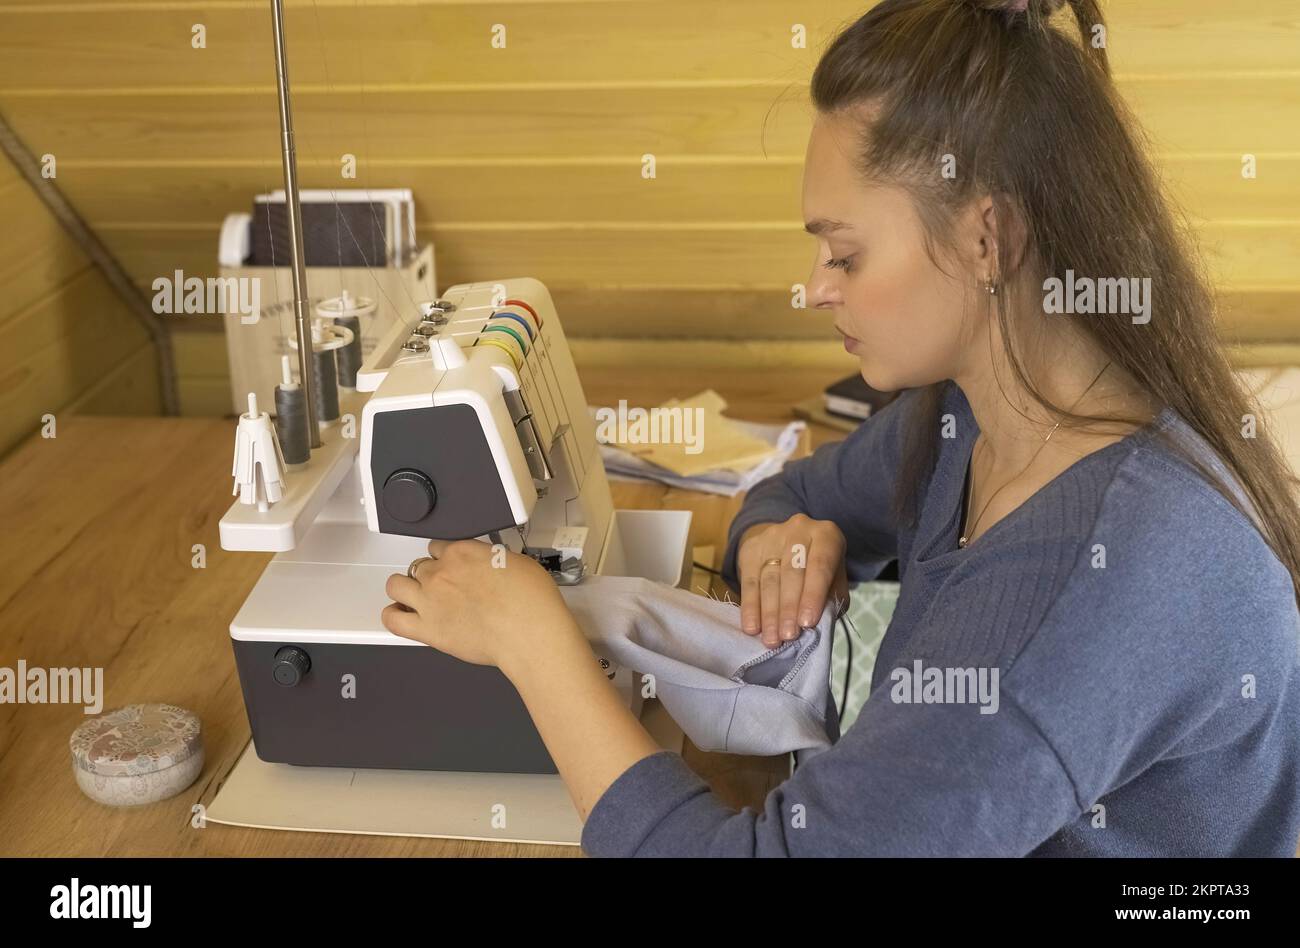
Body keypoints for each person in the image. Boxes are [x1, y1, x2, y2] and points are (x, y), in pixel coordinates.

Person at [381, 0, 1300, 856]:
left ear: (989, 240)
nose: (818, 285)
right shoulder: (972, 414)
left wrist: (535, 647)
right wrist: (782, 542)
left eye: (846, 253)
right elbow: (795, 492)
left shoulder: (1091, 583)